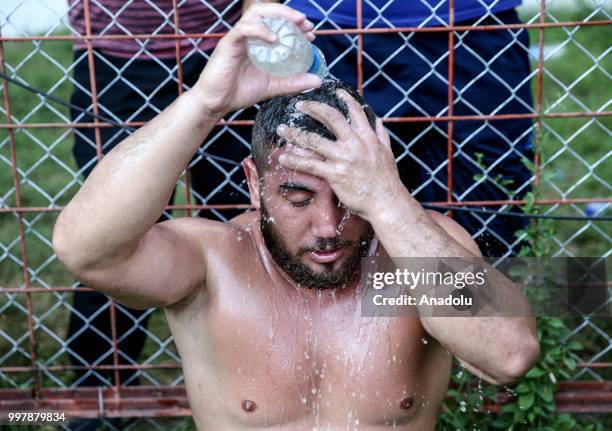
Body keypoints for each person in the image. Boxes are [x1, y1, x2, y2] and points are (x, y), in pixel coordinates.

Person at [54, 3, 539, 429]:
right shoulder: (213, 261)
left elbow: (509, 355)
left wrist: (386, 199)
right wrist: (206, 103)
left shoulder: (409, 258)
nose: (328, 227)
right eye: (298, 198)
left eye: (349, 197)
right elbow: (86, 250)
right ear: (253, 183)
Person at [65, 0, 257, 389]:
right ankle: (103, 384)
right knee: (117, 228)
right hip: (113, 53)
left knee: (238, 216)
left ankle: (246, 367)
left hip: (220, 45)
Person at [285, 0, 535, 257]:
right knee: (336, 208)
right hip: (330, 21)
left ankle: (481, 292)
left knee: (488, 211)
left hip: (475, 18)